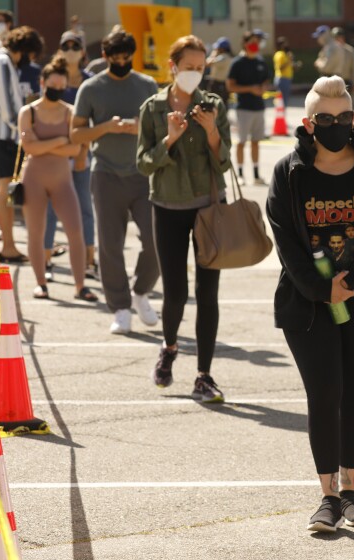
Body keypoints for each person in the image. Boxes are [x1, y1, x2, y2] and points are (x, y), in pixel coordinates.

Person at [266, 76, 354, 533]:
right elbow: (285, 241)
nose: (337, 125)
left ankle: (350, 492)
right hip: (309, 304)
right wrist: (322, 290)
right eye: (325, 119)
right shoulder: (289, 172)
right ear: (308, 123)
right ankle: (326, 497)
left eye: (344, 117)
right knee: (324, 394)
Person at [137, 35, 231, 402]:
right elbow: (144, 163)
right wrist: (170, 139)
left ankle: (204, 375)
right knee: (175, 293)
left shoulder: (214, 105)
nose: (194, 73)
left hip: (209, 206)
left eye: (200, 67)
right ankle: (170, 347)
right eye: (188, 67)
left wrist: (210, 131)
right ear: (172, 66)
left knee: (208, 293)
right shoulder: (153, 108)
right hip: (167, 205)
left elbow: (225, 161)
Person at [71, 29, 160, 334]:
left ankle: (141, 292)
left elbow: (160, 129)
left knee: (156, 239)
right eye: (116, 58)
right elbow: (76, 133)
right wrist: (107, 127)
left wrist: (139, 128)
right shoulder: (92, 88)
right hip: (105, 174)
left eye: (127, 58)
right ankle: (120, 307)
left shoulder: (147, 84)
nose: (122, 62)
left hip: (143, 175)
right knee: (110, 245)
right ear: (105, 57)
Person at [17, 56, 97, 302]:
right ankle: (41, 283)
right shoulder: (28, 112)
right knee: (36, 233)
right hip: (34, 180)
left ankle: (80, 285)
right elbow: (29, 148)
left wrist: (46, 145)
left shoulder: (69, 112)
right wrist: (59, 142)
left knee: (75, 230)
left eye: (62, 87)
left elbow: (75, 149)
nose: (57, 90)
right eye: (53, 85)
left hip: (63, 180)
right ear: (42, 83)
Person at [0, 25, 43, 263]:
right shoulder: (2, 63)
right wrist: (24, 128)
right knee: (5, 191)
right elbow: (7, 107)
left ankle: (8, 243)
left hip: (3, 136)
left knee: (4, 190)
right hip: (5, 137)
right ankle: (7, 245)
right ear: (25, 50)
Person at [43, 30, 96, 283]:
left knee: (84, 207)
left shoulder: (90, 82)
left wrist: (83, 152)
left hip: (80, 155)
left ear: (84, 51)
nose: (72, 49)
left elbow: (91, 122)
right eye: (67, 45)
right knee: (50, 211)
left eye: (76, 46)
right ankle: (46, 260)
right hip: (53, 156)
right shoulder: (53, 78)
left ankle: (89, 260)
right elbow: (38, 112)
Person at [226, 30, 269, 186]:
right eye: (252, 41)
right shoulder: (237, 63)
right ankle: (240, 174)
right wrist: (250, 89)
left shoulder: (261, 62)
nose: (255, 44)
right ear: (244, 43)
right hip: (243, 108)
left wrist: (263, 87)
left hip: (259, 107)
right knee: (242, 142)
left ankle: (256, 175)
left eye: (257, 41)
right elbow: (230, 86)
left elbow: (266, 80)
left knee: (256, 141)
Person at [332, 27, 354, 97]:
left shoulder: (350, 50)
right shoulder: (331, 50)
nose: (337, 40)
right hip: (333, 82)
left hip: (346, 81)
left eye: (339, 37)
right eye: (335, 38)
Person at [206, 37, 232, 104]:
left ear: (222, 48)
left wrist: (213, 54)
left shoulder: (223, 58)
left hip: (218, 85)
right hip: (221, 85)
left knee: (215, 104)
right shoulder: (227, 57)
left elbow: (208, 63)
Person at [272, 36, 294, 104]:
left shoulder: (285, 54)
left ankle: (282, 113)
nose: (286, 45)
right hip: (282, 79)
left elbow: (288, 66)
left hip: (286, 78)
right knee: (281, 101)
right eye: (284, 43)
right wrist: (289, 60)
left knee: (284, 100)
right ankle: (280, 113)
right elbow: (280, 67)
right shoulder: (279, 54)